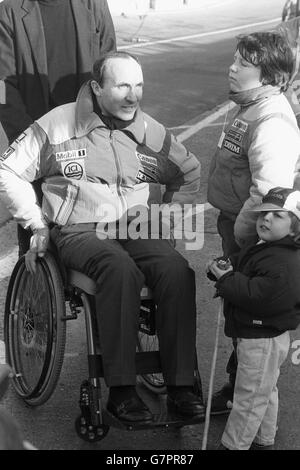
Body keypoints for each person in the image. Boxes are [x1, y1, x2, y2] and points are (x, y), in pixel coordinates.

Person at [0, 51, 205, 423]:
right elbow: (8, 169)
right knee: (118, 268)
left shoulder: (149, 131)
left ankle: (180, 386)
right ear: (97, 87)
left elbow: (189, 172)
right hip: (79, 230)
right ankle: (122, 390)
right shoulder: (59, 124)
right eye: (123, 85)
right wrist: (35, 221)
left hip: (137, 228)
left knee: (177, 269)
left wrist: (167, 222)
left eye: (139, 85)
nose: (133, 96)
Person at [207, 31, 300, 415]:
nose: (232, 68)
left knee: (249, 318)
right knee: (242, 313)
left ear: (271, 77)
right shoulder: (250, 106)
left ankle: (242, 395)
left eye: (243, 64)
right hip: (236, 226)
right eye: (235, 60)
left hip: (249, 234)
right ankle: (244, 389)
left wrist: (244, 242)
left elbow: (267, 194)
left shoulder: (271, 120)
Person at [0, 0, 116, 256]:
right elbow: (2, 86)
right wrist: (32, 139)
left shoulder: (94, 5)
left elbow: (111, 68)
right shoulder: (9, 12)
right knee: (37, 248)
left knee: (97, 244)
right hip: (38, 145)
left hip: (90, 140)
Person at [206, 187, 300, 450]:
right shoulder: (265, 247)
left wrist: (226, 279)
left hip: (262, 339)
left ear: (294, 227)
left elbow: (259, 296)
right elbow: (242, 263)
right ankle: (264, 439)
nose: (265, 219)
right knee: (264, 390)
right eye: (263, 213)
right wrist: (224, 266)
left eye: (277, 216)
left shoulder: (285, 262)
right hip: (258, 335)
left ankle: (234, 445)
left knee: (248, 398)